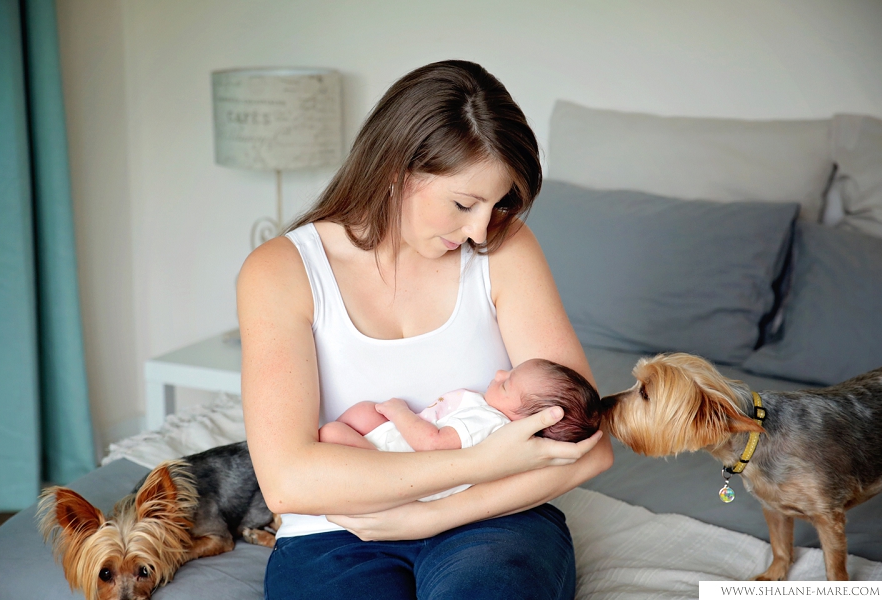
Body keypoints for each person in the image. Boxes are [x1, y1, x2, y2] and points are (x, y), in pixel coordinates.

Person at [237, 59, 613, 600]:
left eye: (498, 203)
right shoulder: (281, 271)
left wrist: (431, 516)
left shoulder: (506, 248)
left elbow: (592, 445)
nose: (482, 228)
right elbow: (287, 481)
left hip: (495, 519)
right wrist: (477, 462)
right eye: (464, 203)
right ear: (397, 170)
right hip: (335, 534)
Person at [319, 358, 603, 503]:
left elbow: (433, 444)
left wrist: (400, 412)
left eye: (506, 384)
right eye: (508, 371)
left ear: (529, 420)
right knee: (362, 416)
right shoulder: (495, 419)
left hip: (404, 464)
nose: (499, 374)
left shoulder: (488, 421)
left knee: (332, 433)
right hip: (407, 453)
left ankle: (368, 475)